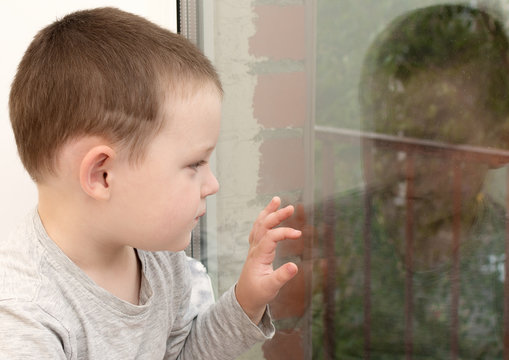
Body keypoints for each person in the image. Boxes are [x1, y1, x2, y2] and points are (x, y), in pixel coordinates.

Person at [1, 7, 302, 359]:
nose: (213, 184)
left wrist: (246, 301)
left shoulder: (158, 258)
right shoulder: (26, 319)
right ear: (103, 175)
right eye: (194, 164)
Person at [313, 4, 509, 359]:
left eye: (433, 146)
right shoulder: (325, 238)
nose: (404, 167)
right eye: (384, 141)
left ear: (505, 144)